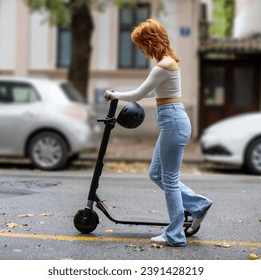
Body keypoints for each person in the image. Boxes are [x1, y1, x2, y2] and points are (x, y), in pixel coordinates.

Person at [104, 18, 212, 247]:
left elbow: (139, 94)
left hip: (173, 121)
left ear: (149, 41)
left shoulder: (163, 65)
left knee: (170, 179)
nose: (140, 49)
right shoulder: (168, 63)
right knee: (156, 173)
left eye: (140, 44)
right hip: (171, 120)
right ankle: (198, 204)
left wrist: (114, 95)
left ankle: (175, 234)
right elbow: (158, 94)